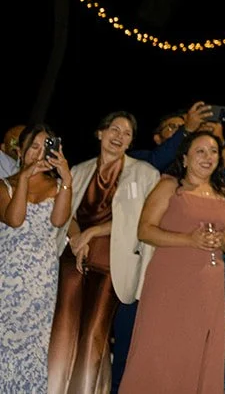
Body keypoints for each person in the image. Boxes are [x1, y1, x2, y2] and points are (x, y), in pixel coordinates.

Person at [119, 131, 225, 394]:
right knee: (161, 345)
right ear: (185, 158)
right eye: (200, 151)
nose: (208, 157)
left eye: (213, 152)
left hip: (208, 281)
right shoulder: (169, 187)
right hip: (170, 279)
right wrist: (189, 239)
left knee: (197, 347)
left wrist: (222, 241)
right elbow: (145, 230)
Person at [49, 111, 161, 394]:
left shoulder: (145, 173)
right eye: (114, 129)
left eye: (126, 133)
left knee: (93, 335)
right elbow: (66, 214)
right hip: (73, 257)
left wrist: (93, 232)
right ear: (100, 133)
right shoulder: (79, 170)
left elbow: (139, 220)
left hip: (113, 261)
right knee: (64, 332)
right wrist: (77, 237)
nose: (119, 137)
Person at [1, 125, 73, 392]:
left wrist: (66, 177)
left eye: (46, 146)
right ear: (20, 151)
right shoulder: (4, 185)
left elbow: (59, 219)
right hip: (7, 277)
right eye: (34, 146)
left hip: (41, 278)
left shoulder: (57, 186)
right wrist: (24, 177)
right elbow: (15, 219)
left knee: (34, 345)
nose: (41, 152)